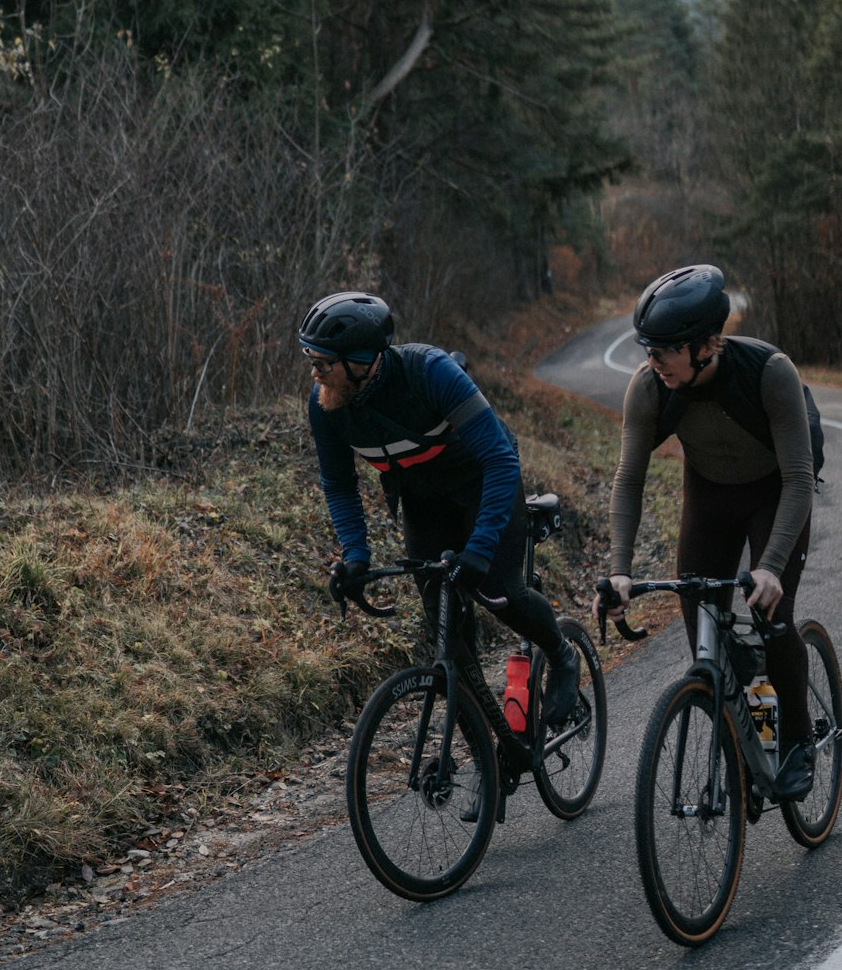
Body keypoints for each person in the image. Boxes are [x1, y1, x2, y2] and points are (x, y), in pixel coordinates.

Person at [299, 290, 580, 725]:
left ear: (361, 361)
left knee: (499, 591)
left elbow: (500, 459)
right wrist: (355, 555)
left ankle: (562, 655)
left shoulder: (429, 372)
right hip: (424, 499)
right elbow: (338, 484)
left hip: (484, 484)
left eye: (323, 363)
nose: (315, 374)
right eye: (311, 360)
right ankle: (486, 747)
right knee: (443, 624)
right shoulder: (327, 407)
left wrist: (481, 548)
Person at [599, 263, 815, 801]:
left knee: (772, 613)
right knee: (703, 623)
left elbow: (798, 478)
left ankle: (796, 739)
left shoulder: (769, 372)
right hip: (710, 494)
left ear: (708, 345)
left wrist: (769, 567)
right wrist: (620, 571)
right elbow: (629, 481)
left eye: (665, 351)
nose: (652, 362)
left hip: (775, 491)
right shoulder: (651, 387)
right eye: (648, 349)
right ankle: (741, 719)